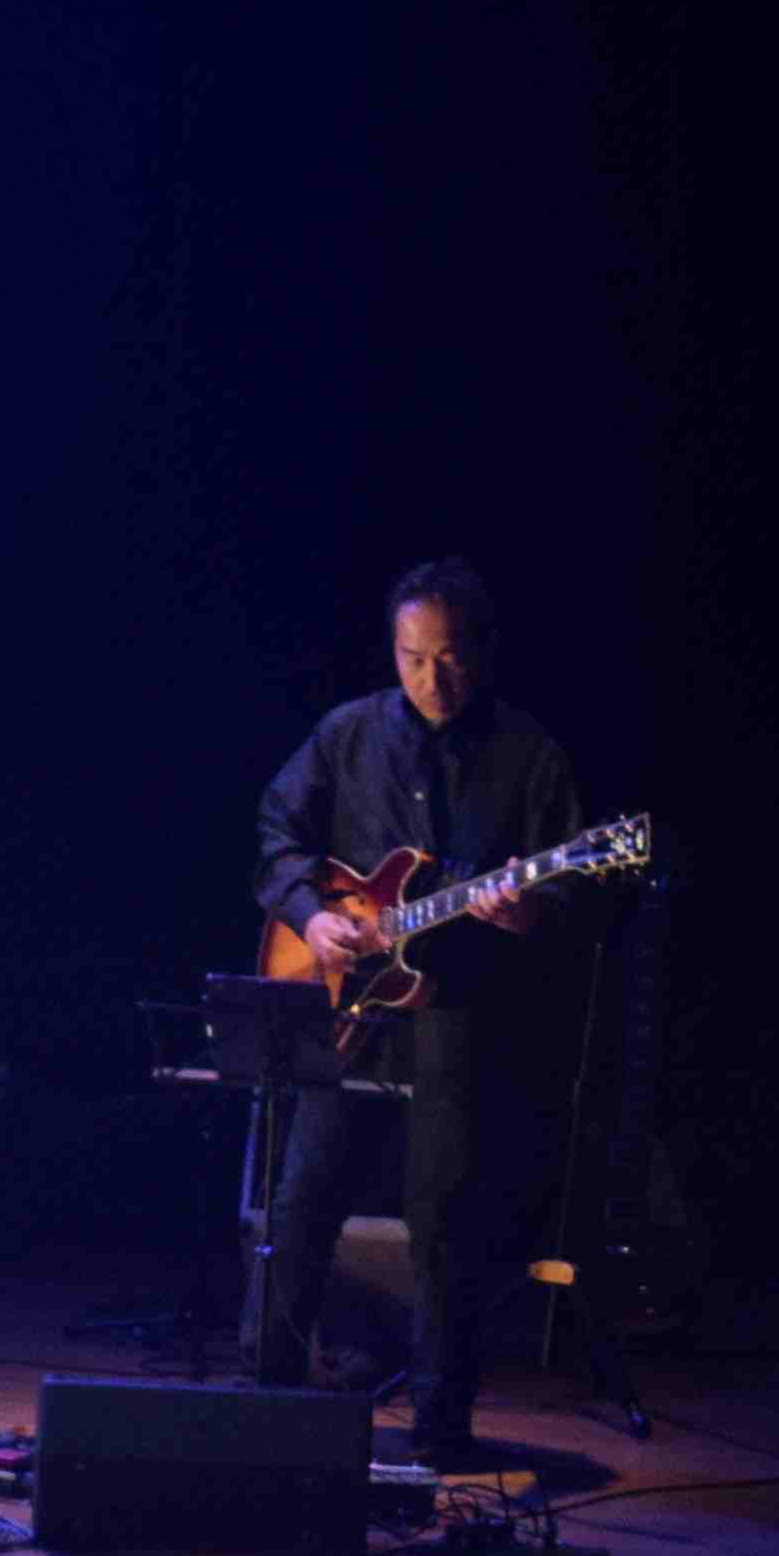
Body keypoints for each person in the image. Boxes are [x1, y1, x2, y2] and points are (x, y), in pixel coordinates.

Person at [247, 557, 584, 1459]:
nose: (433, 678)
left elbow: (573, 895)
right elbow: (278, 835)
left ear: (485, 650)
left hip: (460, 1008)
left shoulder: (530, 755)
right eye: (413, 657)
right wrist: (312, 916)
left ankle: (441, 1429)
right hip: (344, 997)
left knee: (446, 1219)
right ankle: (265, 1398)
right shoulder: (347, 733)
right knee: (303, 1196)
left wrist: (529, 911)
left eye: (450, 658)